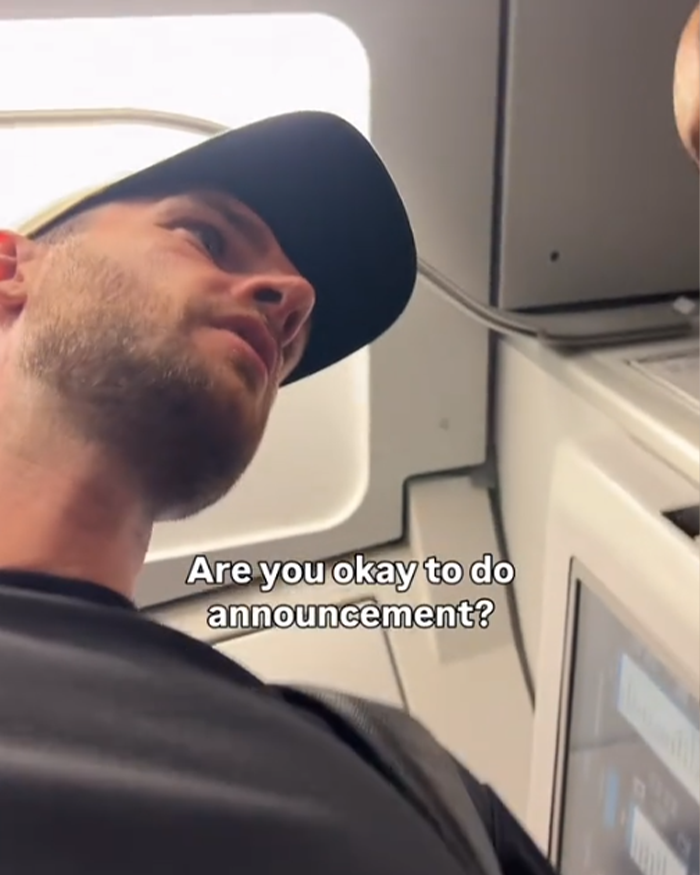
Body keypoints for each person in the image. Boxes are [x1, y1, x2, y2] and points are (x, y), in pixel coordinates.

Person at [0, 3, 696, 869]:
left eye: (293, 332)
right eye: (205, 235)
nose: (291, 298)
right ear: (11, 269)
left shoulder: (397, 760)